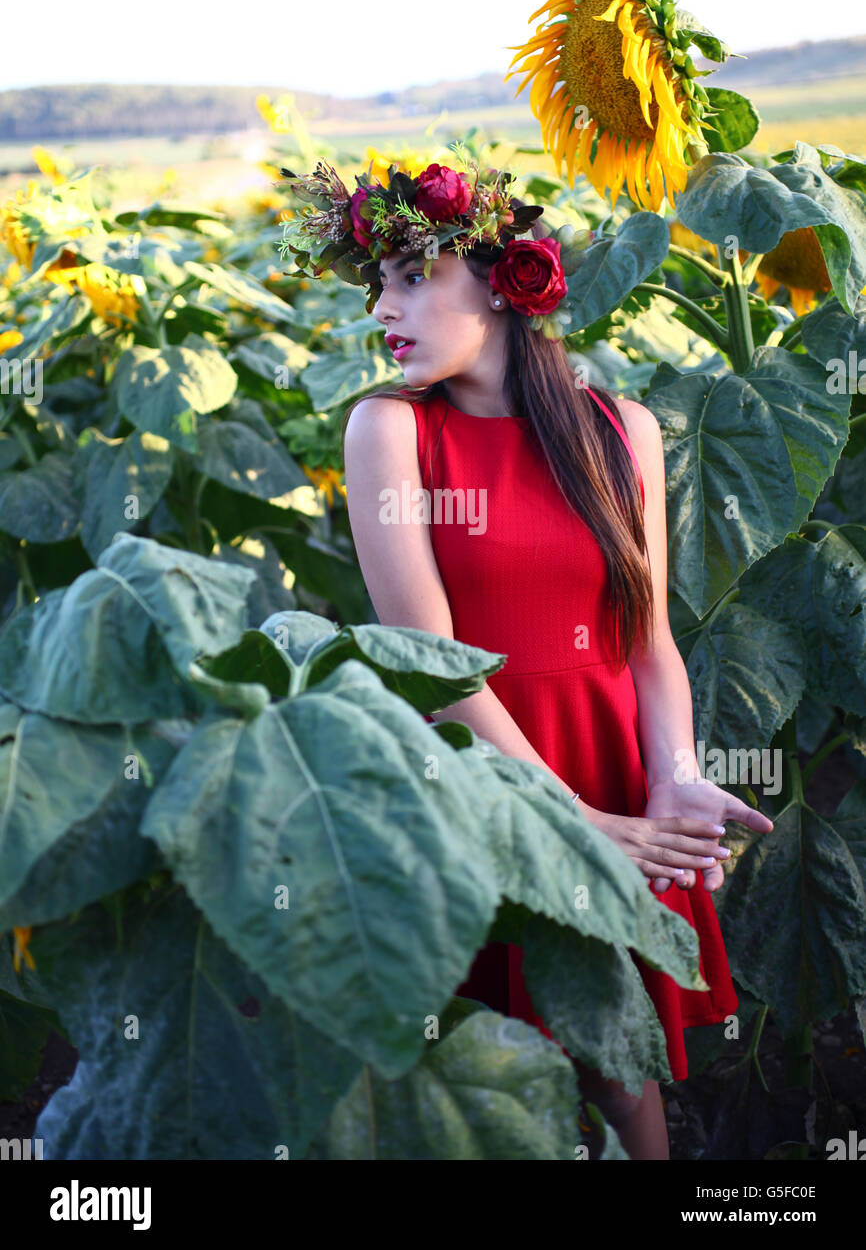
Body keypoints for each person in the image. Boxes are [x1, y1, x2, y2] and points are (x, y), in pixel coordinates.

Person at [280, 153, 774, 1160]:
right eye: (376, 283)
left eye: (411, 276)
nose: (382, 306)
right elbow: (426, 656)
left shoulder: (619, 430)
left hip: (607, 771)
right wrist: (566, 821)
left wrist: (671, 780)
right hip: (467, 782)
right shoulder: (388, 429)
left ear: (503, 283)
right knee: (481, 1077)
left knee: (618, 1061)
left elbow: (647, 647)